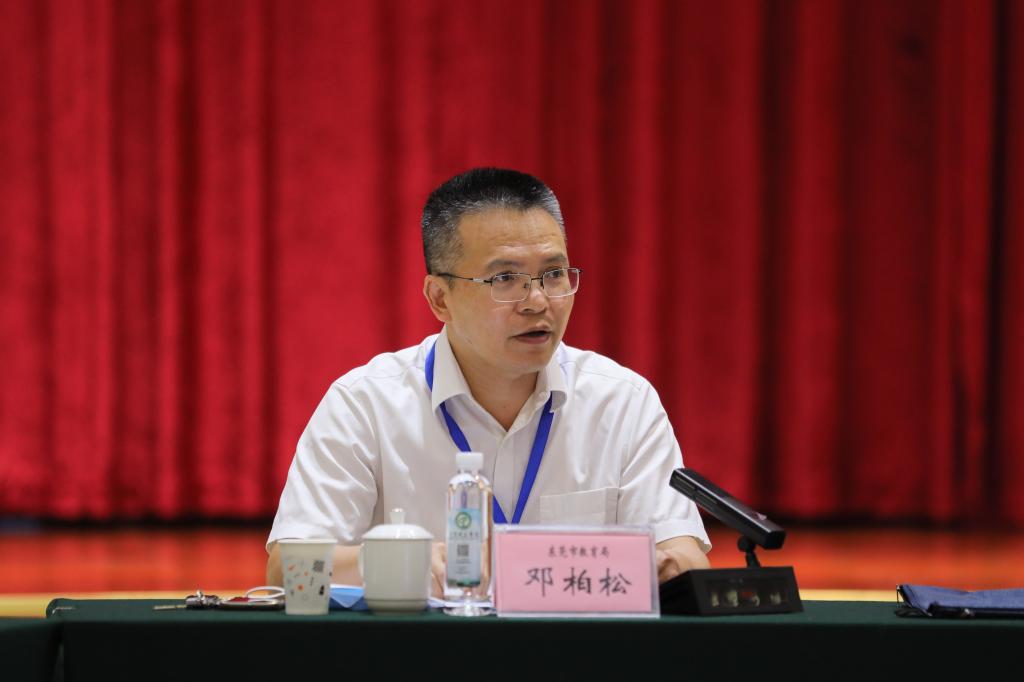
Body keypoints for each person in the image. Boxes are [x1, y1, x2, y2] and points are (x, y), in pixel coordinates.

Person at [266, 168, 710, 594]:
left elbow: (684, 558)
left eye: (554, 274)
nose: (538, 301)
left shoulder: (623, 402)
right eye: (506, 279)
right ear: (440, 298)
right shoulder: (365, 404)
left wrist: (652, 565)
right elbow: (290, 570)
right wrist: (399, 562)